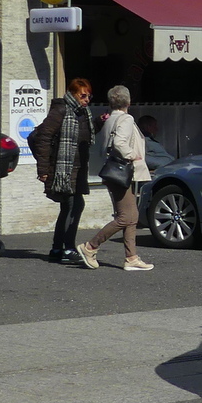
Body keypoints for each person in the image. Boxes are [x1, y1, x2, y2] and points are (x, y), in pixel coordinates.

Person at [77, 85, 154, 271]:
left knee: (132, 216)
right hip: (122, 171)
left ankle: (131, 257)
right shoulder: (126, 119)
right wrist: (132, 155)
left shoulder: (110, 119)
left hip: (113, 171)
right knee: (125, 216)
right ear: (128, 101)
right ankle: (90, 246)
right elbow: (119, 143)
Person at [28, 78, 94, 265]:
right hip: (62, 170)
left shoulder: (83, 114)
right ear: (73, 94)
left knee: (71, 206)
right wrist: (43, 170)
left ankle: (58, 249)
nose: (87, 99)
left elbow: (85, 136)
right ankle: (67, 248)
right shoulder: (61, 110)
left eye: (89, 95)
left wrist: (98, 122)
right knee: (72, 205)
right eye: (83, 95)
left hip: (78, 168)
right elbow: (42, 138)